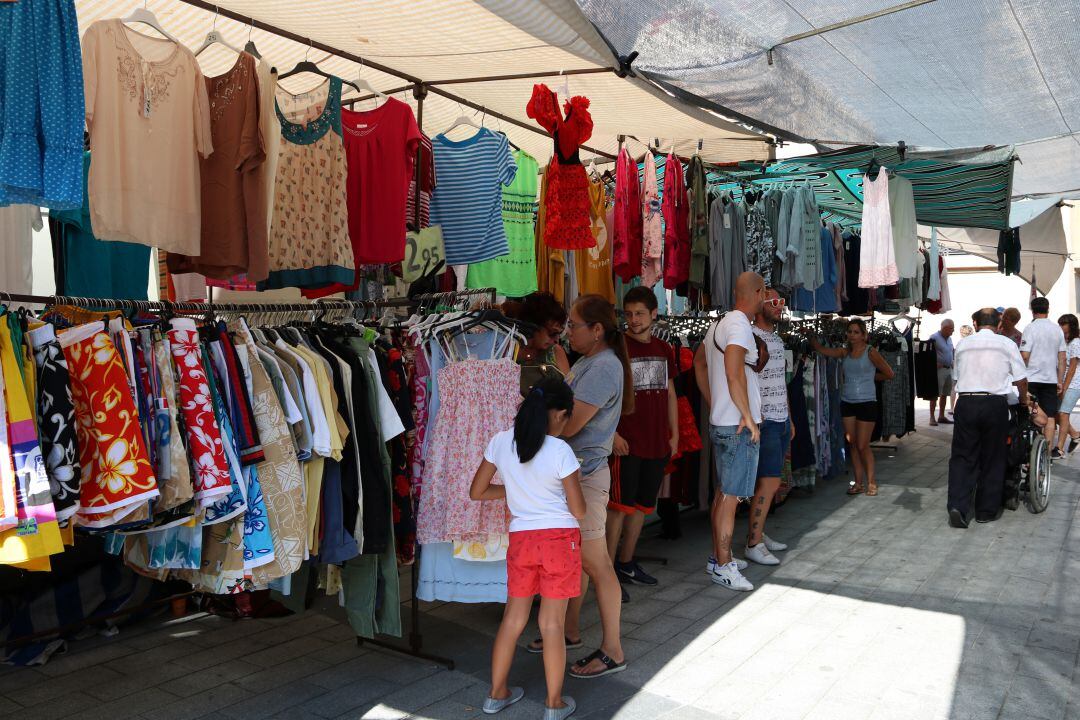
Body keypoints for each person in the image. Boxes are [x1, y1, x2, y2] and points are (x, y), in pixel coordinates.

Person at [471, 378, 585, 720]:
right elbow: (578, 510)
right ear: (561, 414)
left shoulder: (500, 442)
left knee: (513, 619)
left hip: (521, 538)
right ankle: (554, 704)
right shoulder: (560, 450)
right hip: (558, 540)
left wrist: (515, 495)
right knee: (552, 623)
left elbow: (477, 491)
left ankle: (496, 694)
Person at [529, 294, 629, 679]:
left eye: (573, 324)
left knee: (597, 564)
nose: (567, 330)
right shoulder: (590, 362)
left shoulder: (603, 367)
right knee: (584, 561)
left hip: (584, 476)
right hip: (574, 474)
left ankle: (613, 649)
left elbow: (570, 426)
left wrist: (534, 420)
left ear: (597, 330)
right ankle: (570, 631)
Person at [693, 271, 765, 592]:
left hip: (723, 420)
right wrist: (747, 415)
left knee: (724, 493)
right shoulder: (738, 325)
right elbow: (734, 372)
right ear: (759, 293)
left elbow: (699, 364)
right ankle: (723, 565)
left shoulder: (718, 325)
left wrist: (714, 401)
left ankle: (719, 557)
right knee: (730, 497)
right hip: (737, 425)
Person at [607, 287, 678, 593]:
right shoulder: (615, 348)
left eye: (639, 314)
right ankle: (606, 573)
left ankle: (626, 562)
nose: (633, 320)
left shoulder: (665, 349)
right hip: (626, 443)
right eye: (628, 313)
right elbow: (604, 396)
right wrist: (613, 435)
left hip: (656, 441)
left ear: (654, 315)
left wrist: (674, 434)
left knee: (641, 507)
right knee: (619, 509)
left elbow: (671, 393)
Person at [948, 308, 1028, 527]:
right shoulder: (1007, 344)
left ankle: (958, 505)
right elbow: (1021, 379)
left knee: (963, 456)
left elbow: (956, 378)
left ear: (975, 323)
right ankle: (986, 511)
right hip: (994, 404)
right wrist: (1024, 400)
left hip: (966, 402)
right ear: (998, 323)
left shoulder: (963, 344)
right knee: (993, 457)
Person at [809, 319, 895, 496]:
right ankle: (858, 483)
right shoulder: (844, 352)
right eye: (850, 331)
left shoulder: (871, 352)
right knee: (853, 444)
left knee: (863, 445)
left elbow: (889, 373)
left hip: (867, 402)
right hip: (847, 402)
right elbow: (824, 350)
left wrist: (870, 378)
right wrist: (811, 338)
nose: (852, 335)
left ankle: (871, 482)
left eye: (856, 332)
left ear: (864, 335)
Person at [746, 288, 792, 566]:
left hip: (781, 418)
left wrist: (791, 419)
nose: (779, 306)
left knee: (771, 482)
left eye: (781, 302)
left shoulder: (775, 338)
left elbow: (780, 382)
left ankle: (759, 534)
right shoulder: (751, 338)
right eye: (774, 302)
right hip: (766, 420)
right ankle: (753, 542)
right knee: (768, 481)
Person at [1020, 296, 1066, 446]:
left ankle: (1030, 451)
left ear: (1032, 311)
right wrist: (1060, 380)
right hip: (1050, 379)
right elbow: (1062, 359)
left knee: (1031, 414)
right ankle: (1046, 455)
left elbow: (1025, 356)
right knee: (1050, 416)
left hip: (1031, 379)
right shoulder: (1057, 329)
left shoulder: (1030, 328)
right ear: (1048, 309)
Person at [508, 292, 571, 394]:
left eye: (559, 333)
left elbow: (570, 393)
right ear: (533, 326)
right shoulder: (509, 350)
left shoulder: (555, 352)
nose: (556, 339)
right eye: (552, 333)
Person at [1055, 313, 1080, 457]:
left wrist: (1064, 386)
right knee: (1057, 414)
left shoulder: (1076, 342)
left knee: (1063, 414)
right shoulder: (1065, 342)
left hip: (1074, 383)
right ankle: (1075, 435)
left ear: (1071, 325)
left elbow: (1072, 367)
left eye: (1063, 324)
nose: (1060, 327)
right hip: (1064, 383)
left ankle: (1059, 448)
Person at [928, 319, 955, 426]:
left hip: (949, 370)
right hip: (939, 370)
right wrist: (934, 363)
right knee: (935, 394)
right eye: (951, 329)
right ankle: (931, 417)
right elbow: (927, 354)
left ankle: (941, 416)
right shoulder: (934, 337)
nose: (953, 331)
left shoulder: (950, 339)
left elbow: (950, 351)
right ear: (944, 328)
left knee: (945, 394)